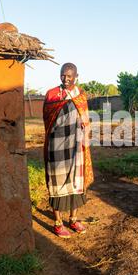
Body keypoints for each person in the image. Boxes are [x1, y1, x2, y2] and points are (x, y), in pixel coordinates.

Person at [43, 63, 94, 238]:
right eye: (63, 75)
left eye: (69, 76)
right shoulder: (51, 94)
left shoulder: (80, 95)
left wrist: (85, 137)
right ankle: (58, 223)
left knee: (76, 182)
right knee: (57, 184)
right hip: (56, 146)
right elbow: (47, 121)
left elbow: (85, 119)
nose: (66, 79)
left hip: (76, 145)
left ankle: (73, 219)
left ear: (76, 76)